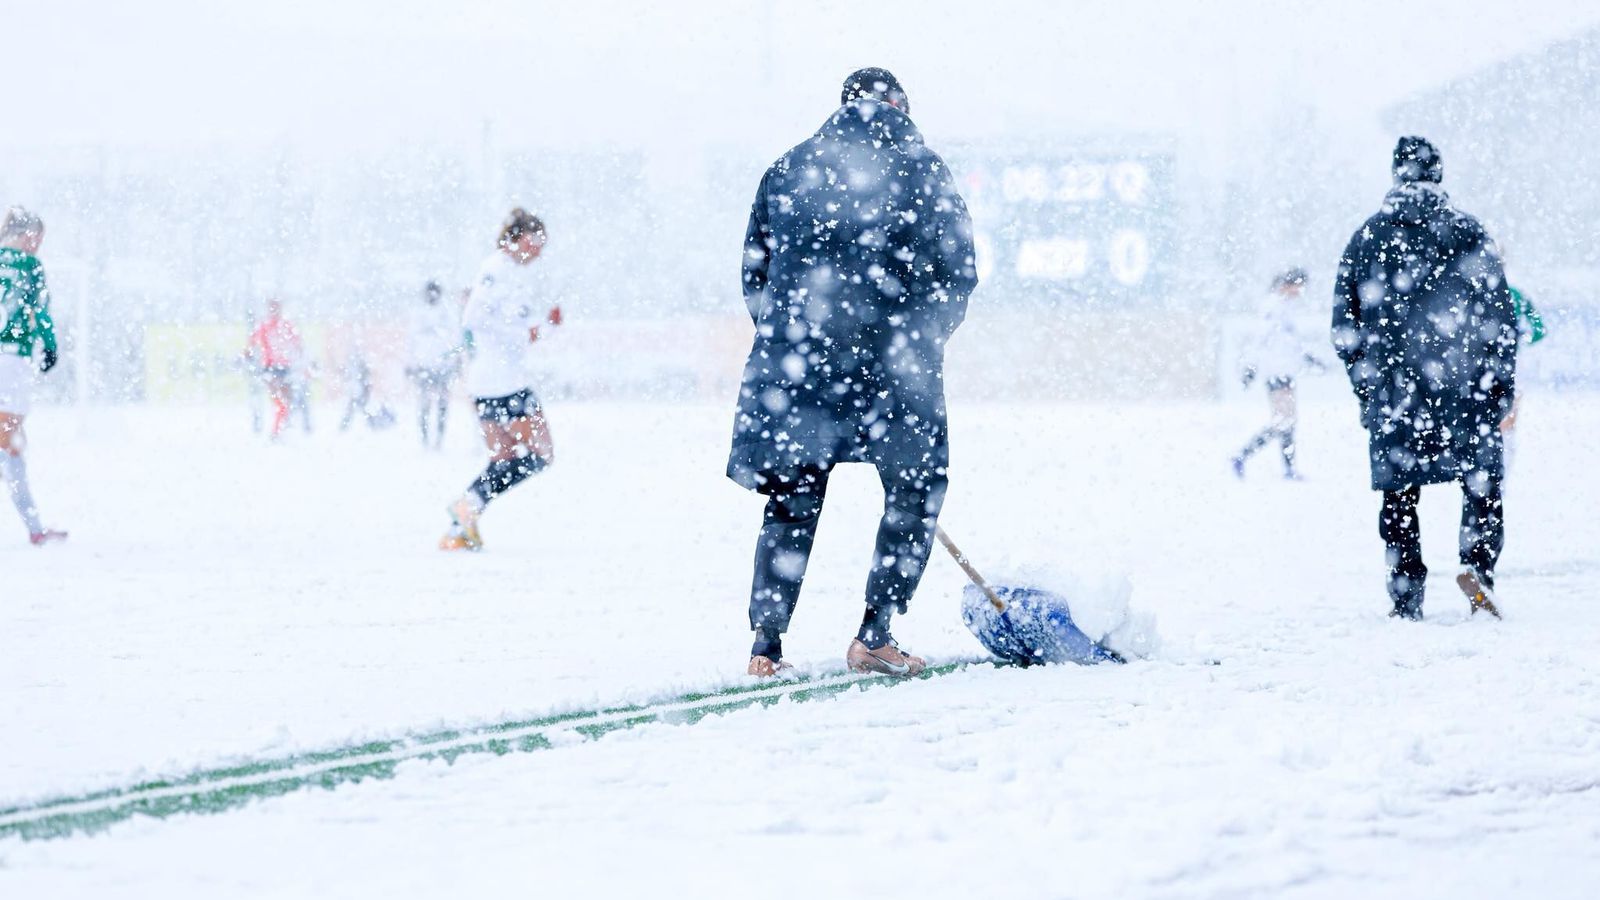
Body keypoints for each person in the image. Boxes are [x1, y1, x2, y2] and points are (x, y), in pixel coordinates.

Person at [729, 68, 978, 677]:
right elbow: (957, 275)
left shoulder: (788, 168)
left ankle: (766, 647)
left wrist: (795, 338)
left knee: (791, 496)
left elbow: (754, 273)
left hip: (797, 365)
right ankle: (876, 632)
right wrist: (914, 343)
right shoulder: (923, 169)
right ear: (900, 108)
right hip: (892, 368)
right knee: (914, 490)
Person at [1332, 136, 1518, 621]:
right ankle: (1478, 568)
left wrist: (1369, 387)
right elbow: (1500, 318)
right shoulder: (1468, 233)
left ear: (1397, 174)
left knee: (1399, 495)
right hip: (1465, 388)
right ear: (1437, 174)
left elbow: (1343, 325)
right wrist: (1497, 387)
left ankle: (1405, 588)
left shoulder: (1368, 237)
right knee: (1481, 484)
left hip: (1397, 393)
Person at [439, 208, 563, 551]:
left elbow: (514, 330)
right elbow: (475, 316)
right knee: (540, 453)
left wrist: (545, 328)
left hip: (490, 381)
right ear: (521, 237)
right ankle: (468, 505)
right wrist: (523, 333)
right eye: (537, 242)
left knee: (505, 459)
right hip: (503, 382)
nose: (539, 251)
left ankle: (463, 520)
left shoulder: (509, 273)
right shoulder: (497, 270)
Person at [0, 207, 66, 546]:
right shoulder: (29, 266)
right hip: (10, 362)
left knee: (9, 441)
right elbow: (40, 310)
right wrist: (50, 346)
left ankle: (34, 525)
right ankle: (35, 527)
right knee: (9, 444)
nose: (38, 245)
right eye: (37, 238)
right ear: (27, 235)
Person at [1232, 267, 1325, 480]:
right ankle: (1242, 456)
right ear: (1288, 285)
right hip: (1275, 371)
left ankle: (1287, 468)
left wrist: (1307, 358)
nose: (1300, 292)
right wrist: (1251, 367)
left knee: (1287, 420)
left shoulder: (1284, 307)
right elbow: (1260, 340)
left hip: (1285, 370)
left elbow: (1290, 343)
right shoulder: (1273, 307)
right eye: (1298, 286)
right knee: (1283, 421)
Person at [407, 280, 464, 448]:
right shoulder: (418, 313)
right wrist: (411, 364)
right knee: (424, 404)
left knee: (442, 403)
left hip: (443, 366)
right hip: (423, 365)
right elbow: (411, 341)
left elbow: (456, 339)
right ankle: (425, 438)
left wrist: (455, 361)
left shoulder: (447, 312)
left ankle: (439, 438)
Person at [1498, 282, 1546, 473]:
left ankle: (1495, 474)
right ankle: (1499, 474)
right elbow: (1538, 330)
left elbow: (1538, 330)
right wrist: (1517, 340)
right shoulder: (1514, 294)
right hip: (1510, 368)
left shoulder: (1512, 294)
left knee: (1498, 424)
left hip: (1491, 371)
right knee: (1505, 424)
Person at [245, 299, 305, 441]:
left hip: (284, 368)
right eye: (272, 308)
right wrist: (248, 352)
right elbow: (252, 342)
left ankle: (279, 430)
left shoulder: (285, 325)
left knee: (286, 402)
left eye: (276, 307)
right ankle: (277, 431)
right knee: (281, 403)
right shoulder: (266, 326)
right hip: (271, 369)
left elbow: (297, 343)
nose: (274, 310)